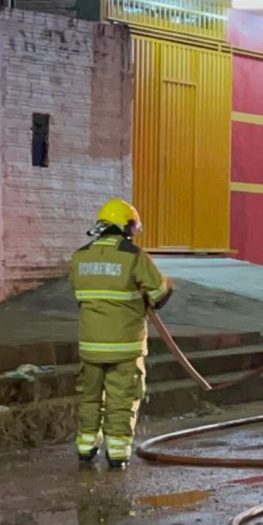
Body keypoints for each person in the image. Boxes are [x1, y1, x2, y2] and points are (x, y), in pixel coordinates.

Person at [71, 199, 174, 468]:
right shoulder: (134, 256)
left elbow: (82, 296)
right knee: (121, 399)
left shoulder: (80, 256)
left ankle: (85, 447)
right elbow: (159, 294)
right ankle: (116, 454)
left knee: (90, 397)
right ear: (125, 226)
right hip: (125, 345)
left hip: (91, 344)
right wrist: (164, 286)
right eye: (132, 226)